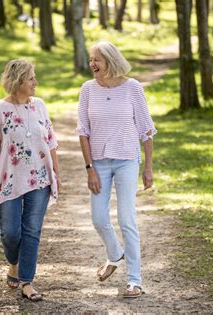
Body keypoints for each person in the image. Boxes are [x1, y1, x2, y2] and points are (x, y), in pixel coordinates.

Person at [76, 41, 157, 298]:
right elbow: (83, 132)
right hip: (99, 163)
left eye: (96, 60)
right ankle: (114, 254)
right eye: (91, 60)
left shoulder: (132, 88)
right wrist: (89, 168)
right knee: (98, 218)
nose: (92, 65)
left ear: (110, 61)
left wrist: (148, 168)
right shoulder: (87, 90)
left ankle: (134, 281)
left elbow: (146, 130)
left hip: (126, 162)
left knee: (127, 219)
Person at [0, 59, 60, 302]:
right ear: (17, 81)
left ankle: (27, 281)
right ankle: (13, 262)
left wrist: (56, 173)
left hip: (40, 179)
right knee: (10, 233)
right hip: (9, 180)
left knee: (32, 230)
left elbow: (51, 141)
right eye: (31, 78)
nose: (36, 82)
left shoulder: (40, 106)